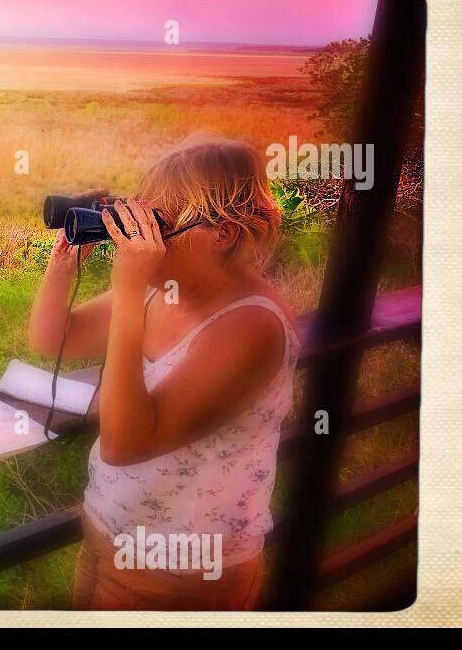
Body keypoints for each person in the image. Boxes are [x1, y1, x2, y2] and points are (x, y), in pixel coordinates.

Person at [28, 140, 299, 611]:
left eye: (160, 225)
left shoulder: (251, 325)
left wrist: (129, 289)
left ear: (223, 232)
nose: (142, 239)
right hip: (105, 538)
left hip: (181, 575)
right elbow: (55, 339)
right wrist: (64, 262)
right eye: (141, 218)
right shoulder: (166, 291)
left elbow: (123, 445)